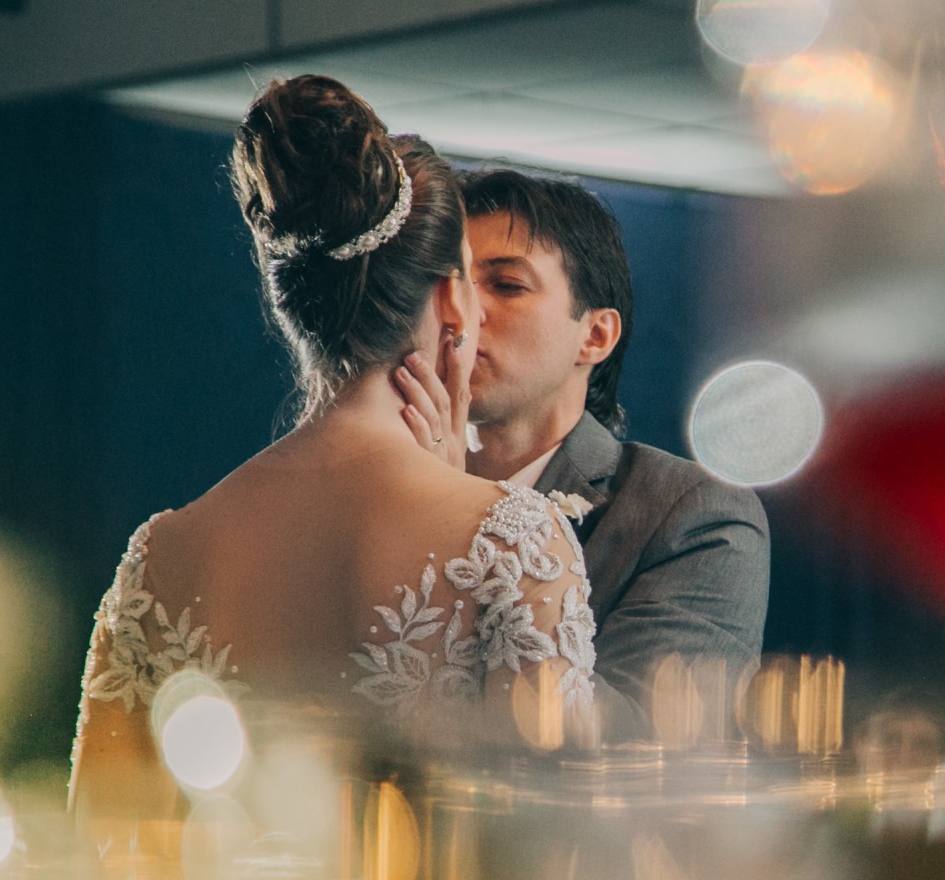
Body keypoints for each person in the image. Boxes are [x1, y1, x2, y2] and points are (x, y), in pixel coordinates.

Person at [69, 77, 595, 819]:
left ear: (291, 304)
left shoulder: (163, 553)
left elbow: (102, 844)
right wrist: (462, 498)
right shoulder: (512, 545)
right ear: (452, 301)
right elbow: (555, 848)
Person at [397, 168, 768, 742]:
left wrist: (456, 519)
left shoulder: (695, 516)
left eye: (506, 285)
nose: (460, 312)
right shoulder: (380, 493)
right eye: (448, 283)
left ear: (594, 336)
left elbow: (642, 749)